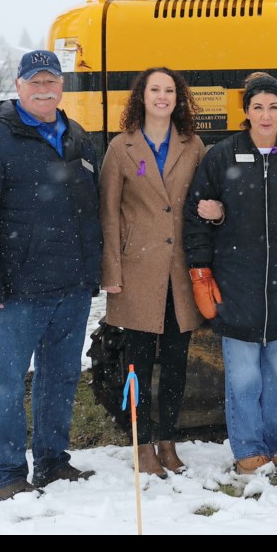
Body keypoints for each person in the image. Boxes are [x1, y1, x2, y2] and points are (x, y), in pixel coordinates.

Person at [0, 50, 100, 501]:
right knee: (7, 381)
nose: (44, 89)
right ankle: (9, 473)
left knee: (60, 377)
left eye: (51, 81)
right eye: (35, 81)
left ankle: (53, 461)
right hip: (20, 289)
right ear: (18, 86)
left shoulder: (77, 136)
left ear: (61, 86)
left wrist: (93, 272)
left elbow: (91, 211)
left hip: (72, 285)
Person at [183, 72, 277, 475]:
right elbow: (197, 214)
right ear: (245, 112)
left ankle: (275, 444)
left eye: (274, 107)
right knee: (244, 375)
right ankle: (248, 448)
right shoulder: (222, 155)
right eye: (258, 107)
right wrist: (200, 270)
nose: (266, 115)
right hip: (235, 281)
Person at [99, 67, 206, 478]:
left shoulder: (193, 145)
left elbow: (206, 200)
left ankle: (168, 440)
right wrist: (111, 269)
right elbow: (108, 212)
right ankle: (141, 444)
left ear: (179, 98)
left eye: (169, 90)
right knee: (138, 364)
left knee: (178, 363)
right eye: (154, 89)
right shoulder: (120, 147)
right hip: (136, 270)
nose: (162, 96)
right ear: (141, 96)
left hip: (180, 273)